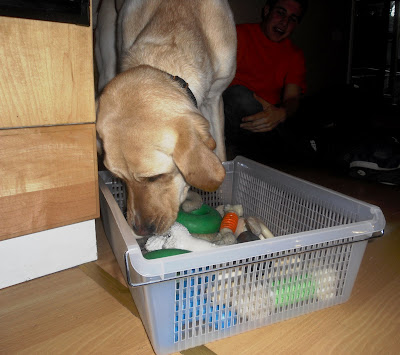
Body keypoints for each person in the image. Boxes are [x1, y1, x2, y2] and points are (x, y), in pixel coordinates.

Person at [224, 0, 308, 163]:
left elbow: (292, 99)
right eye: (280, 13)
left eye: (292, 19)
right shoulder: (237, 35)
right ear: (267, 11)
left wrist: (280, 113)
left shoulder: (294, 55)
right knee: (238, 96)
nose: (284, 22)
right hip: (231, 113)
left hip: (268, 123)